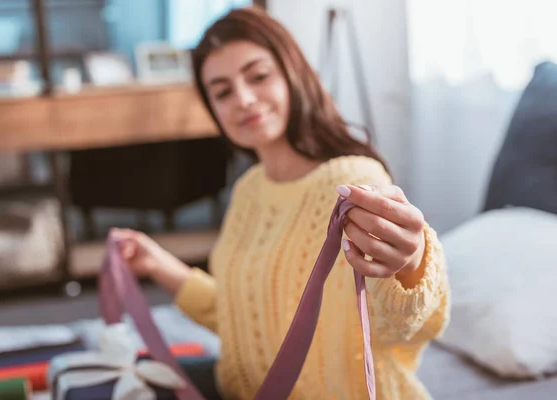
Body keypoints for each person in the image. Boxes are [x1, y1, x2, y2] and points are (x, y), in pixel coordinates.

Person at [112, 6, 449, 400]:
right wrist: (157, 264)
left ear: (292, 74)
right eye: (222, 91)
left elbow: (404, 323)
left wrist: (411, 263)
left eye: (258, 76)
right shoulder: (248, 191)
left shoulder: (355, 181)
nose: (243, 98)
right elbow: (242, 315)